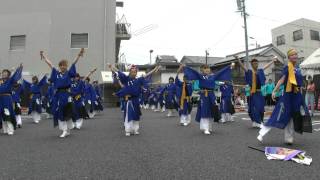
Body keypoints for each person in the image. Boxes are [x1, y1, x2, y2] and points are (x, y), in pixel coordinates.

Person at [258, 49, 307, 145]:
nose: (295, 56)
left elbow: (299, 83)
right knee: (277, 115)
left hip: (296, 95)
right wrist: (274, 91)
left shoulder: (297, 69)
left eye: (296, 54)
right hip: (287, 95)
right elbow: (282, 79)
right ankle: (262, 133)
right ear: (289, 57)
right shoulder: (287, 67)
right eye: (292, 55)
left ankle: (289, 137)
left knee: (293, 116)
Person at [40, 48, 85, 138]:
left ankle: (67, 129)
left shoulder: (68, 73)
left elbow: (74, 63)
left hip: (67, 94)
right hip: (58, 95)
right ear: (59, 66)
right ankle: (64, 130)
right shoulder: (56, 73)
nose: (62, 67)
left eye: (64, 65)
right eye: (61, 65)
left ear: (66, 66)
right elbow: (50, 64)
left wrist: (78, 55)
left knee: (67, 111)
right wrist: (44, 57)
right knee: (60, 111)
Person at [182, 63, 233, 135]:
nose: (207, 70)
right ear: (202, 70)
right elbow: (193, 72)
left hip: (212, 95)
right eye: (205, 68)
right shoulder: (200, 76)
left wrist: (229, 67)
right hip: (204, 95)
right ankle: (205, 128)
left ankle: (209, 126)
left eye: (208, 68)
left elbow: (221, 72)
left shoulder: (213, 76)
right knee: (205, 110)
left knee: (212, 110)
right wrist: (186, 67)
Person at [109, 64, 160, 136]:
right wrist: (112, 67)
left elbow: (147, 75)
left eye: (135, 72)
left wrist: (154, 70)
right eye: (132, 72)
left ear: (136, 73)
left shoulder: (138, 80)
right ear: (130, 72)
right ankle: (128, 130)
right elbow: (119, 71)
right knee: (129, 115)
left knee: (136, 115)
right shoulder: (126, 79)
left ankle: (136, 129)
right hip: (129, 100)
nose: (134, 73)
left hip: (136, 100)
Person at [236, 56, 277, 128]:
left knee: (261, 108)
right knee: (253, 108)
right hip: (252, 93)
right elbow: (243, 67)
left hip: (259, 93)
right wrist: (238, 59)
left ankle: (259, 121)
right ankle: (255, 122)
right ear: (252, 65)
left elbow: (266, 66)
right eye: (254, 63)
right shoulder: (249, 72)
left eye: (257, 63)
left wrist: (272, 61)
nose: (256, 65)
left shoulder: (260, 71)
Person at [0, 64, 23, 135]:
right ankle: (5, 129)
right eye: (3, 73)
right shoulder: (1, 82)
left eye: (5, 73)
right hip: (1, 99)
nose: (3, 74)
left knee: (8, 113)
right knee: (2, 114)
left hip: (7, 99)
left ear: (8, 75)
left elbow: (15, 76)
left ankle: (11, 129)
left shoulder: (10, 80)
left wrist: (19, 69)